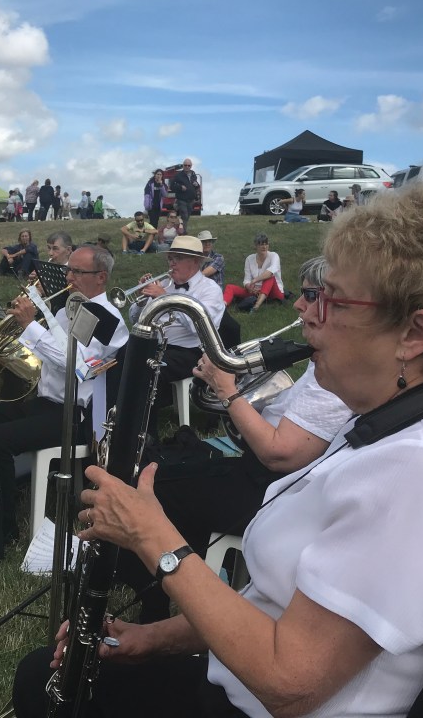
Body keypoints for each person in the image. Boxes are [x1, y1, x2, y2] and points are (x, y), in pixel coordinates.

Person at [13, 182, 423, 718]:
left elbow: (290, 683)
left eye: (331, 299)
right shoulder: (388, 425)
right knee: (40, 675)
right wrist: (150, 639)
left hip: (263, 701)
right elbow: (278, 606)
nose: (305, 311)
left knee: (41, 689)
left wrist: (150, 534)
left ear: (414, 333)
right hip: (239, 682)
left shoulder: (418, 470)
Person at [118, 256, 352, 623]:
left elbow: (279, 454)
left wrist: (228, 390)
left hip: (275, 491)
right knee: (170, 467)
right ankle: (169, 577)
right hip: (264, 477)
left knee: (151, 487)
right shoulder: (321, 362)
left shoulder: (338, 374)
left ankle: (155, 602)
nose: (297, 304)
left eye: (310, 295)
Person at [0, 245, 128, 541]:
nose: (69, 277)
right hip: (44, 402)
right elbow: (45, 353)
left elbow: (77, 365)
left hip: (75, 416)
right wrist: (23, 332)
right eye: (68, 270)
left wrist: (31, 325)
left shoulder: (108, 320)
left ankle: (3, 526)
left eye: (77, 271)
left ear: (101, 277)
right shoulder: (66, 309)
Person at [127, 235, 224, 431]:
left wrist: (167, 298)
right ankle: (123, 417)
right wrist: (142, 300)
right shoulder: (165, 283)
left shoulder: (210, 290)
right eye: (170, 258)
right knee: (121, 358)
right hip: (156, 345)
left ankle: (144, 431)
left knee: (147, 368)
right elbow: (135, 319)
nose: (172, 263)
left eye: (177, 258)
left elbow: (198, 328)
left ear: (195, 261)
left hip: (190, 352)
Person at [223, 232, 284, 313]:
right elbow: (246, 279)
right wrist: (249, 286)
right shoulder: (249, 259)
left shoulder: (274, 256)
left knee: (270, 278)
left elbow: (270, 272)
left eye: (266, 244)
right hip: (256, 292)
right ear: (256, 246)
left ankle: (256, 306)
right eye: (261, 244)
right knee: (230, 287)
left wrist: (254, 280)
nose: (264, 247)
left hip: (273, 293)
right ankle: (222, 307)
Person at [171, 159, 198, 230]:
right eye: (185, 165)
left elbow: (196, 186)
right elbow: (172, 186)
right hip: (182, 199)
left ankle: (179, 228)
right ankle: (183, 232)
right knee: (184, 216)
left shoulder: (193, 174)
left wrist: (196, 185)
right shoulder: (178, 175)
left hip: (191, 200)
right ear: (183, 166)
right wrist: (180, 187)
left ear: (191, 166)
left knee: (187, 216)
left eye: (189, 165)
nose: (187, 167)